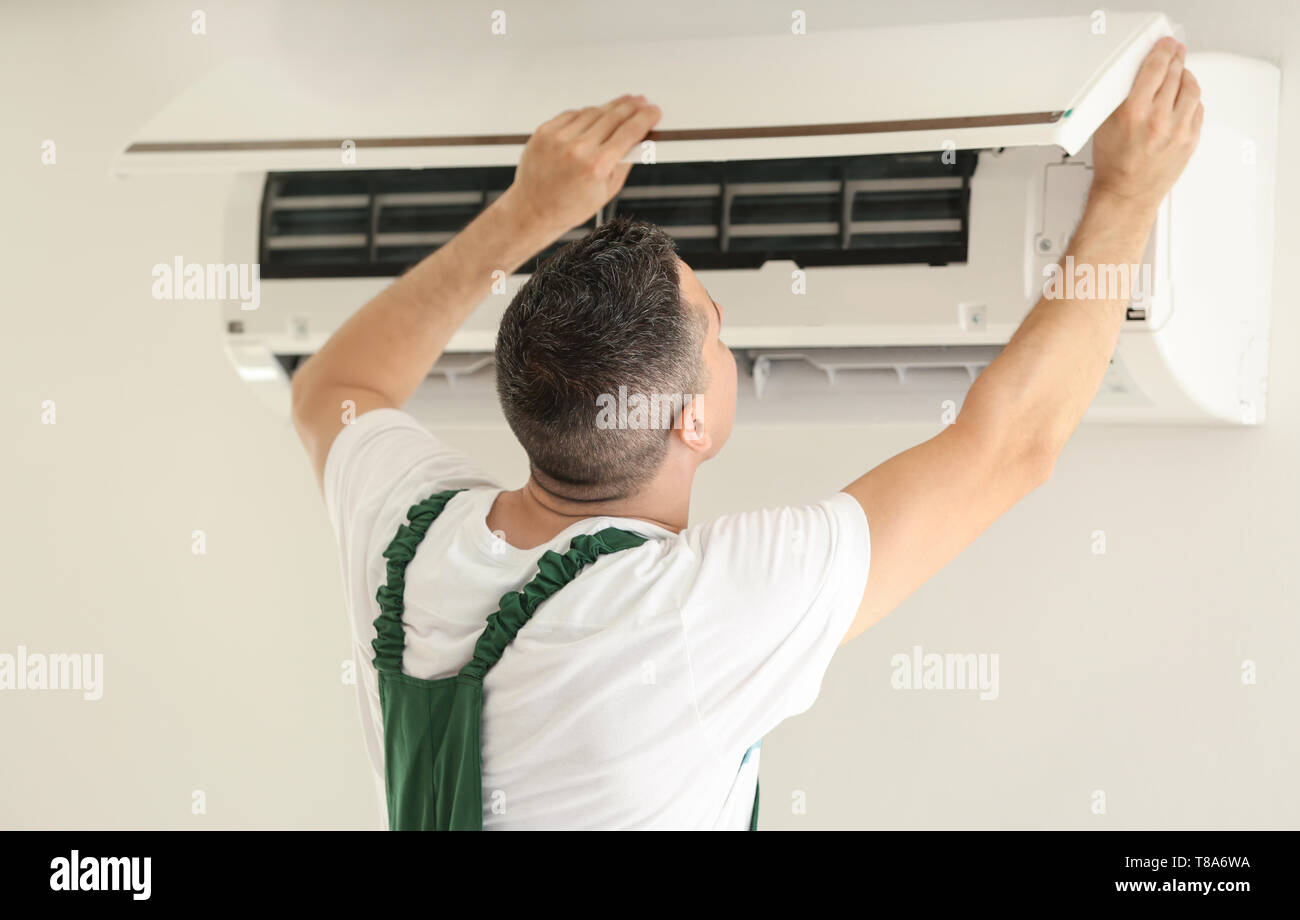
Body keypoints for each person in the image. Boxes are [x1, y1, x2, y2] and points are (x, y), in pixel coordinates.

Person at [290, 37, 1202, 829]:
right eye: (717, 325)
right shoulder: (689, 615)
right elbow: (1012, 445)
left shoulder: (407, 540)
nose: (729, 337)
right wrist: (1127, 196)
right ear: (694, 418)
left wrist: (524, 216)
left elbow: (334, 386)